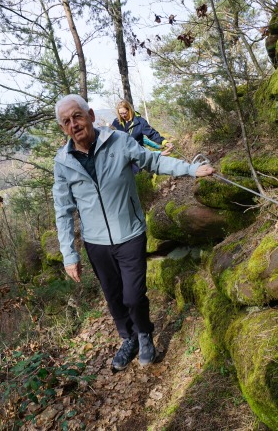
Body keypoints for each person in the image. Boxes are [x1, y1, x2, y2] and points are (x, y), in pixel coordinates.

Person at [53, 94, 214, 371]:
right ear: (63, 128)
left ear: (90, 115)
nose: (74, 124)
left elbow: (154, 162)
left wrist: (190, 169)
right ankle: (128, 338)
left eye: (77, 116)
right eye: (66, 121)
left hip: (129, 234)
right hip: (96, 243)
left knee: (133, 295)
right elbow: (63, 210)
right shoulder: (63, 162)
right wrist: (69, 253)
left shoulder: (119, 141)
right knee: (114, 298)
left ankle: (144, 333)